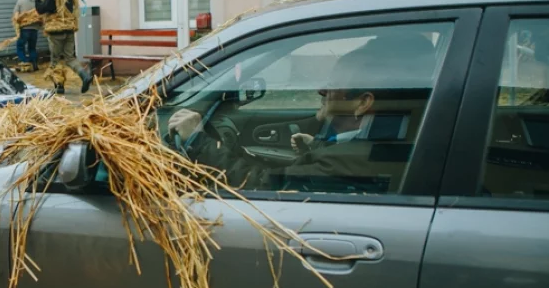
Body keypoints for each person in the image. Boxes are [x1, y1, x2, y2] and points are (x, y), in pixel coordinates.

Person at [167, 33, 437, 194]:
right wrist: (317, 149)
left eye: (332, 86)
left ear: (362, 103)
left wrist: (198, 142)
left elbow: (263, 186)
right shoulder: (388, 138)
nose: (321, 90)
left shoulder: (352, 158)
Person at [35, 0, 91, 95]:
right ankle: (84, 75)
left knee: (55, 61)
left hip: (56, 32)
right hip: (69, 30)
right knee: (70, 58)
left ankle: (59, 86)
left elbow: (41, 10)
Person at [13, 0, 41, 71]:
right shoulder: (36, 2)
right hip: (35, 29)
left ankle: (25, 63)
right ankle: (34, 63)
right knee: (32, 47)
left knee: (20, 46)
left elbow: (16, 17)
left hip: (24, 29)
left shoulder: (20, 2)